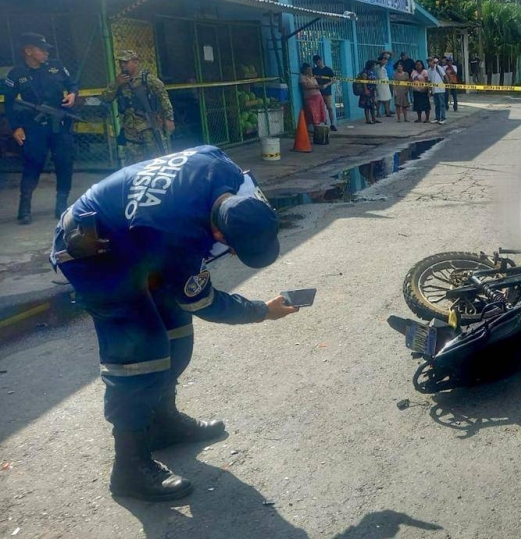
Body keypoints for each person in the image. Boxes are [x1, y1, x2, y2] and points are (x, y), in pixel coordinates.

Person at [50, 145, 299, 501]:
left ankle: (163, 423)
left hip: (132, 237)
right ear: (219, 235)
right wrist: (262, 310)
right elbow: (206, 301)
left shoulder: (223, 167)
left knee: (176, 332)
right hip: (92, 250)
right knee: (141, 353)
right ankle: (129, 469)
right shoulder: (176, 235)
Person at [3, 32, 79, 224]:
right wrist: (16, 127)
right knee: (32, 164)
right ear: (28, 51)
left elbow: (72, 83)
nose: (46, 53)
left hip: (59, 125)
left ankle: (61, 204)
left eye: (46, 50)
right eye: (41, 49)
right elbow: (10, 103)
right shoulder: (16, 74)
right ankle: (25, 207)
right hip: (34, 127)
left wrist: (72, 94)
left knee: (65, 162)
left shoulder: (56, 66)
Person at [101, 50, 174, 167]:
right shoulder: (119, 81)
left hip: (148, 127)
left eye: (126, 62)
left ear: (135, 62)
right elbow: (105, 98)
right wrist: (116, 84)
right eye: (121, 62)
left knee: (156, 160)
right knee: (134, 164)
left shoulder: (148, 79)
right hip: (130, 129)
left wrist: (169, 118)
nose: (122, 65)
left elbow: (163, 98)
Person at [312, 55, 337, 131]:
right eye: (316, 63)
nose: (318, 64)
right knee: (320, 109)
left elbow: (334, 80)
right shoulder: (314, 70)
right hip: (317, 92)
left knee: (330, 108)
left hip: (327, 92)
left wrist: (326, 85)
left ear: (321, 60)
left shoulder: (328, 70)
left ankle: (332, 124)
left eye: (318, 62)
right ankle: (324, 124)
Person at [298, 64, 325, 134]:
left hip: (318, 96)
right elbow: (305, 86)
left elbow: (316, 85)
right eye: (308, 69)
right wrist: (316, 86)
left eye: (310, 69)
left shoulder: (313, 77)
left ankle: (319, 129)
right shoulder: (302, 77)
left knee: (319, 113)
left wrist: (317, 86)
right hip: (310, 97)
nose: (310, 71)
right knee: (312, 112)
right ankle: (314, 129)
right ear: (304, 70)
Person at [356, 59, 379, 124]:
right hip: (367, 91)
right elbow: (364, 83)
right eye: (373, 65)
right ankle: (368, 120)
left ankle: (374, 119)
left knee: (372, 105)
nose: (374, 66)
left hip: (372, 90)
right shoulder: (365, 72)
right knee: (366, 105)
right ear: (370, 65)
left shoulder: (372, 71)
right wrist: (366, 90)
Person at [429, 57, 447, 124]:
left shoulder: (439, 68)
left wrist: (447, 85)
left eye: (431, 61)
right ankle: (437, 118)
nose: (430, 63)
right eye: (429, 61)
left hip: (441, 89)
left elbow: (445, 76)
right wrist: (430, 90)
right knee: (436, 104)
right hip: (434, 90)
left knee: (442, 104)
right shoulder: (429, 71)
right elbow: (429, 81)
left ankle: (443, 118)